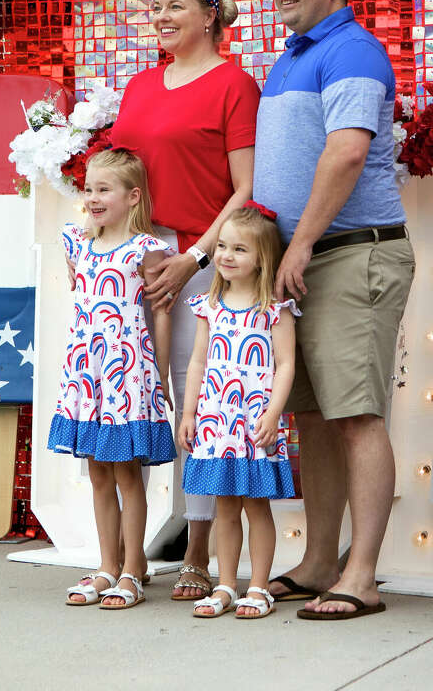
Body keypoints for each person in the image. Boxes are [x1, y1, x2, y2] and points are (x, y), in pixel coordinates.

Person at [254, 0, 414, 620]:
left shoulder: (353, 51)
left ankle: (363, 576)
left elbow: (347, 155)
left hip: (352, 254)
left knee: (355, 415)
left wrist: (302, 243)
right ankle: (321, 561)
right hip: (305, 261)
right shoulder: (290, 58)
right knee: (312, 418)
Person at [108, 0, 260, 602]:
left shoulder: (234, 84)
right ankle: (128, 553)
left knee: (197, 401)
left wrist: (194, 258)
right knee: (139, 394)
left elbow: (248, 188)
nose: (161, 17)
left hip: (202, 260)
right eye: (155, 8)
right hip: (138, 259)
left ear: (208, 16)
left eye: (174, 7)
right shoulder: (141, 85)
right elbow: (120, 174)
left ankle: (199, 550)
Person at [47, 149, 176, 610]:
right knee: (98, 472)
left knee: (127, 474)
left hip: (128, 372)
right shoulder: (76, 242)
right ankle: (106, 566)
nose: (93, 197)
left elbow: (160, 312)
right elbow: (81, 298)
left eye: (104, 189)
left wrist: (158, 373)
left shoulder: (147, 248)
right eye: (89, 189)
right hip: (87, 371)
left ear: (132, 195)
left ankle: (132, 568)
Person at [177, 205, 300, 619]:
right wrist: (190, 413)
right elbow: (197, 362)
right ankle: (227, 584)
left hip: (255, 423)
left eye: (239, 249)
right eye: (223, 246)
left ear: (263, 258)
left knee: (255, 505)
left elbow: (286, 365)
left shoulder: (275, 309)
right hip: (217, 422)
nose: (226, 255)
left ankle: (260, 586)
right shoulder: (208, 304)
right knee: (225, 505)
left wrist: (274, 412)